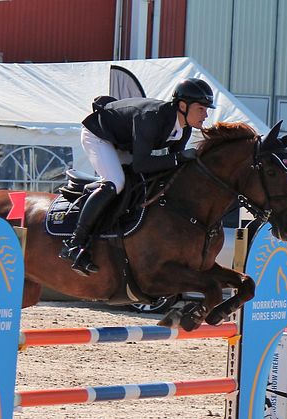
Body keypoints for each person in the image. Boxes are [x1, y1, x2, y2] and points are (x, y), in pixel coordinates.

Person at [60, 78, 214, 276]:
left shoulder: (184, 129)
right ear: (183, 106)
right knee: (116, 182)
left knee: (138, 182)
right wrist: (178, 157)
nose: (206, 114)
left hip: (123, 142)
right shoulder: (151, 118)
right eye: (201, 108)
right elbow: (143, 163)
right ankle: (74, 244)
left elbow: (171, 167)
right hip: (99, 136)